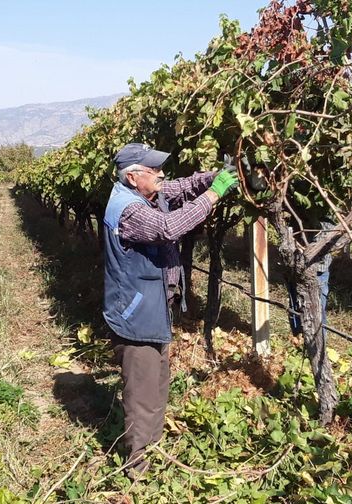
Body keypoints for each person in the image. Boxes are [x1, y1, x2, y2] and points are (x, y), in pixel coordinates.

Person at [102, 142, 238, 479]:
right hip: (135, 314)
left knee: (158, 381)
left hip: (151, 307)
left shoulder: (148, 192)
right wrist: (214, 195)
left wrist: (218, 175)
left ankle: (152, 445)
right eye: (154, 170)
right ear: (133, 177)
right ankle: (137, 464)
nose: (162, 175)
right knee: (143, 390)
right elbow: (168, 229)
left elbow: (180, 186)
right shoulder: (129, 210)